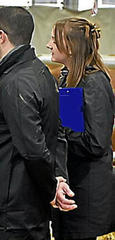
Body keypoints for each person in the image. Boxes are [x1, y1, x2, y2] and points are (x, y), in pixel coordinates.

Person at [0, 6, 76, 240]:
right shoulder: (40, 73)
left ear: (2, 36)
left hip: (11, 215)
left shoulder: (17, 83)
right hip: (24, 205)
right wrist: (57, 177)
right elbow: (57, 133)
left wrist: (53, 185)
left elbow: (34, 149)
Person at [46, 17, 114, 240]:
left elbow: (95, 143)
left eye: (54, 40)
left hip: (87, 192)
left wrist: (59, 136)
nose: (49, 45)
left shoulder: (93, 82)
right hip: (71, 184)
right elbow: (72, 127)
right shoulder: (69, 79)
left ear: (70, 46)